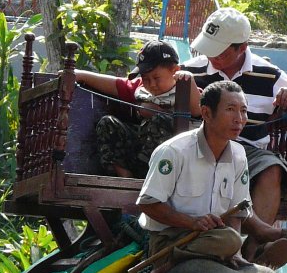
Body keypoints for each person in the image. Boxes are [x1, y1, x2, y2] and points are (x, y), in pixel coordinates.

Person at [182, 7, 287, 263]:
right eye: (208, 46)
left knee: (273, 168)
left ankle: (255, 249)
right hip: (201, 145)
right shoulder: (189, 71)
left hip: (250, 152)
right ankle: (258, 236)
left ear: (241, 48)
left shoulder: (270, 74)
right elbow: (140, 84)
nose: (211, 55)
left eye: (219, 50)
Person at [137, 79, 287, 273]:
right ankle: (167, 264)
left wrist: (236, 252)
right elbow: (148, 204)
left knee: (231, 240)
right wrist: (191, 222)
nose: (239, 118)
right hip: (170, 237)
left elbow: (237, 210)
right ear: (206, 113)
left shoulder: (239, 155)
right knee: (229, 240)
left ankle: (241, 253)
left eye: (243, 111)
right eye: (230, 109)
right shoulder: (173, 151)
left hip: (215, 237)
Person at [74, 40, 201, 178]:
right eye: (146, 79)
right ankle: (125, 177)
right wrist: (79, 74)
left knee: (158, 120)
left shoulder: (185, 88)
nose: (151, 84)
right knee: (107, 123)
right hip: (139, 149)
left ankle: (147, 178)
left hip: (171, 157)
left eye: (156, 77)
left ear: (174, 71)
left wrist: (189, 81)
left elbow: (197, 111)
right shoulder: (140, 88)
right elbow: (113, 84)